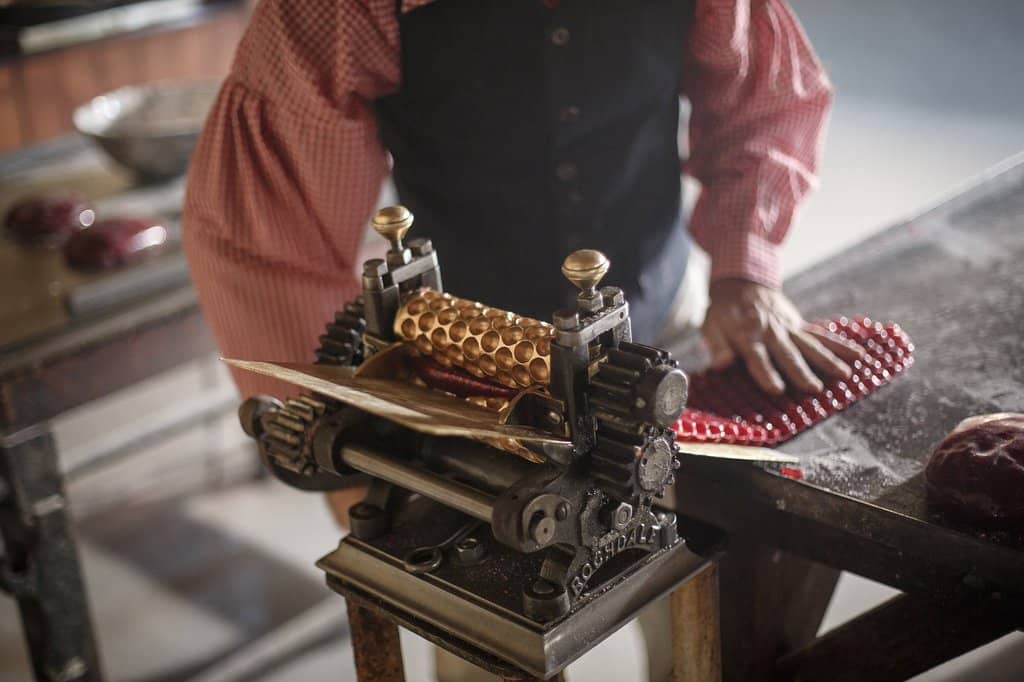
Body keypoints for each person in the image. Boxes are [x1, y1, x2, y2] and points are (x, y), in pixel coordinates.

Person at [183, 1, 863, 679]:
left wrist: (745, 271)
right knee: (486, 647)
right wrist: (344, 440)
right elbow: (271, 231)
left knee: (712, 630)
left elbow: (765, 96)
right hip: (462, 391)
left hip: (659, 341)